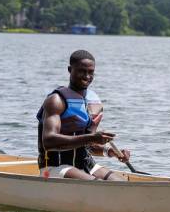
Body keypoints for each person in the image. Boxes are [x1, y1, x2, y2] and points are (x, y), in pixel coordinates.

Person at [36, 49, 130, 181]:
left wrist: (110, 152)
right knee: (98, 186)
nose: (87, 76)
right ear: (70, 70)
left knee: (121, 183)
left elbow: (89, 145)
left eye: (91, 72)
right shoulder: (56, 100)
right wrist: (91, 138)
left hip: (86, 165)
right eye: (82, 71)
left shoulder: (94, 103)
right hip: (54, 168)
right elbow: (49, 141)